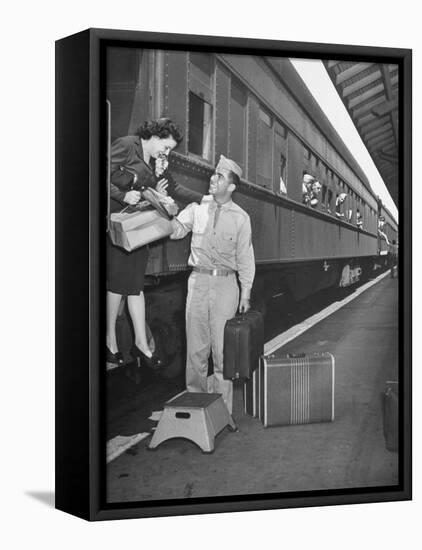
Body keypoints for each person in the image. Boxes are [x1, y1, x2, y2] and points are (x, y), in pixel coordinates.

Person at [107, 118, 204, 368]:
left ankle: (140, 343)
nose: (167, 152)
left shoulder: (158, 162)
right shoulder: (128, 145)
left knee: (135, 285)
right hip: (119, 224)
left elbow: (175, 188)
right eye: (166, 146)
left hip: (139, 228)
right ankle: (111, 343)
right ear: (155, 137)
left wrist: (205, 198)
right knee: (119, 285)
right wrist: (122, 193)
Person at [170, 155, 255, 413]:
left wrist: (245, 293)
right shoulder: (197, 207)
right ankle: (196, 407)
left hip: (226, 286)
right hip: (197, 281)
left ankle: (222, 411)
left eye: (219, 177)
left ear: (231, 187)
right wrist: (166, 211)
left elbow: (245, 257)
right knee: (196, 350)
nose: (212, 179)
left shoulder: (241, 218)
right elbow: (175, 231)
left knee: (221, 353)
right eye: (213, 174)